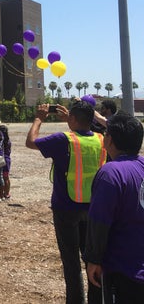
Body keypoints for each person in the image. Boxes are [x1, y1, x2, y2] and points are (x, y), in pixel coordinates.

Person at [26, 101, 105, 304]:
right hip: (94, 208)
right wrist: (71, 120)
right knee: (92, 259)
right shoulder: (100, 139)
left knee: (71, 263)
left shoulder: (63, 139)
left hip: (66, 207)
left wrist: (39, 118)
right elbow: (81, 136)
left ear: (72, 119)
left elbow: (31, 141)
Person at [84, 113, 144, 303]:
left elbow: (99, 220)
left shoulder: (111, 172)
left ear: (109, 140)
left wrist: (93, 259)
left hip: (122, 267)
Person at [0, 123, 13, 199]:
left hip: (0, 159)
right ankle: (7, 193)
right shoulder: (8, 141)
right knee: (6, 177)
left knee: (0, 177)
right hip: (7, 160)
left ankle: (1, 194)